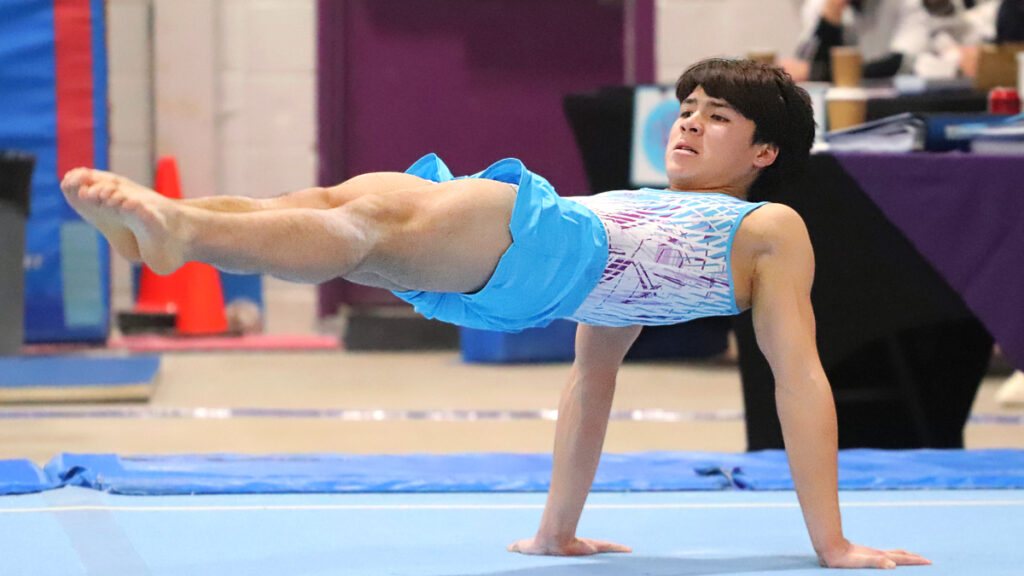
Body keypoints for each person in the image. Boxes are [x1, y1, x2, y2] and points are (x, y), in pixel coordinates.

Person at [61, 58, 929, 569]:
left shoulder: (769, 225)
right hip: (552, 264)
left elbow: (799, 378)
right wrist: (558, 532)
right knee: (335, 202)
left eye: (720, 117)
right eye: (687, 109)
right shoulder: (647, 207)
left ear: (766, 152)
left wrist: (834, 544)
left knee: (359, 228)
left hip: (550, 244)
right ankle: (172, 227)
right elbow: (591, 384)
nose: (687, 125)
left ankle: (179, 230)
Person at [781, 0, 971, 82]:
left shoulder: (906, 4)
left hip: (898, 109)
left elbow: (901, 64)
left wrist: (819, 73)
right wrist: (830, 21)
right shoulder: (823, 6)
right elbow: (803, 69)